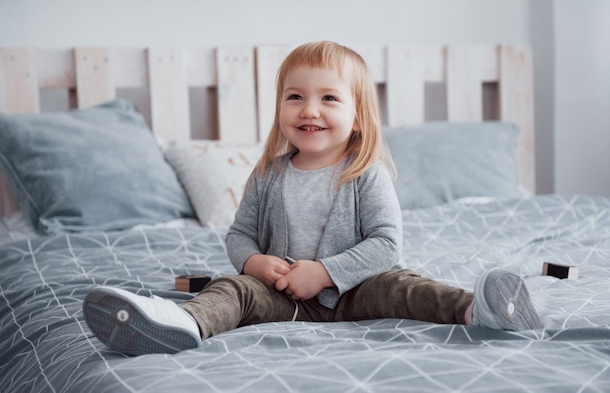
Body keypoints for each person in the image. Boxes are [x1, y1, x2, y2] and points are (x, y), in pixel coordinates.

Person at [83, 41, 542, 355]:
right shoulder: (267, 174)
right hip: (284, 296)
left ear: (358, 117)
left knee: (407, 287)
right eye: (296, 96)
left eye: (329, 98)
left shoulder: (366, 174)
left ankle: (478, 309)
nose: (309, 109)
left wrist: (325, 272)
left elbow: (386, 245)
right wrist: (254, 264)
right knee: (234, 290)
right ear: (280, 106)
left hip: (357, 290)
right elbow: (240, 234)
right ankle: (180, 325)